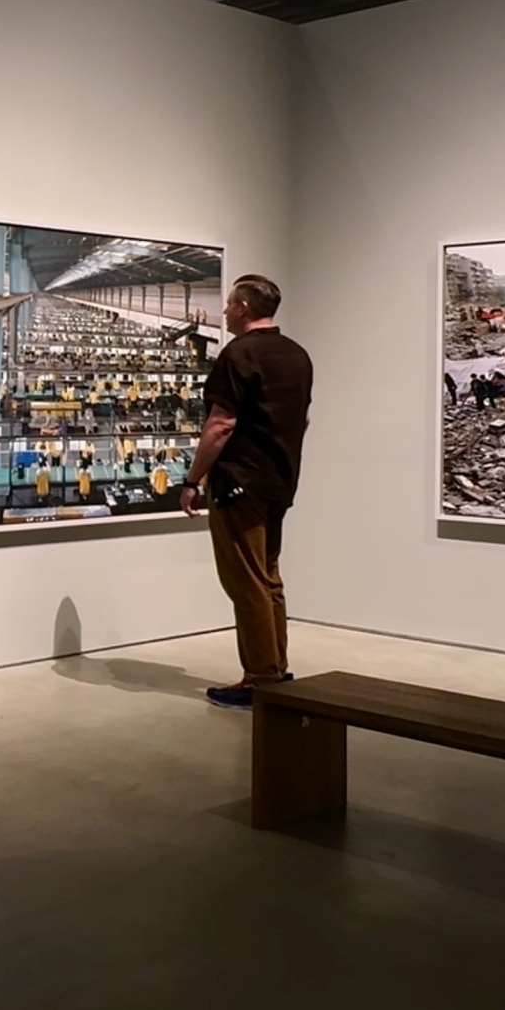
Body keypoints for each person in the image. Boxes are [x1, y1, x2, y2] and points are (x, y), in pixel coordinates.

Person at [180, 275, 312, 708]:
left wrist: (193, 480)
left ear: (243, 307)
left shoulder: (238, 354)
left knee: (246, 582)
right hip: (279, 481)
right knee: (268, 577)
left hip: (239, 484)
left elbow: (220, 425)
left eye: (228, 304)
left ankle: (259, 680)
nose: (223, 312)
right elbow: (302, 421)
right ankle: (276, 668)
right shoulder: (296, 355)